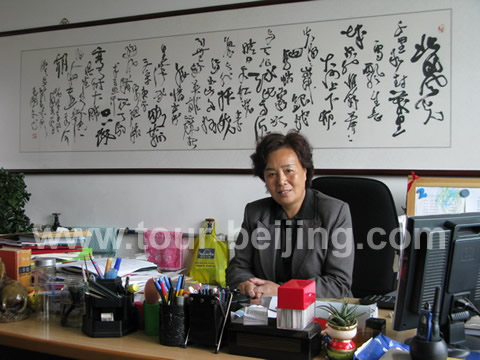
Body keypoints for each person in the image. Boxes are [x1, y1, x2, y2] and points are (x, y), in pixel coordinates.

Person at [226, 131, 354, 300]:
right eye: (271, 174)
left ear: (305, 171)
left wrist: (281, 291)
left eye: (289, 171)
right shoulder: (255, 213)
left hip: (320, 313)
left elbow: (338, 284)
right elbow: (237, 267)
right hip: (265, 312)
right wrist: (246, 284)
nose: (281, 181)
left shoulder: (335, 212)